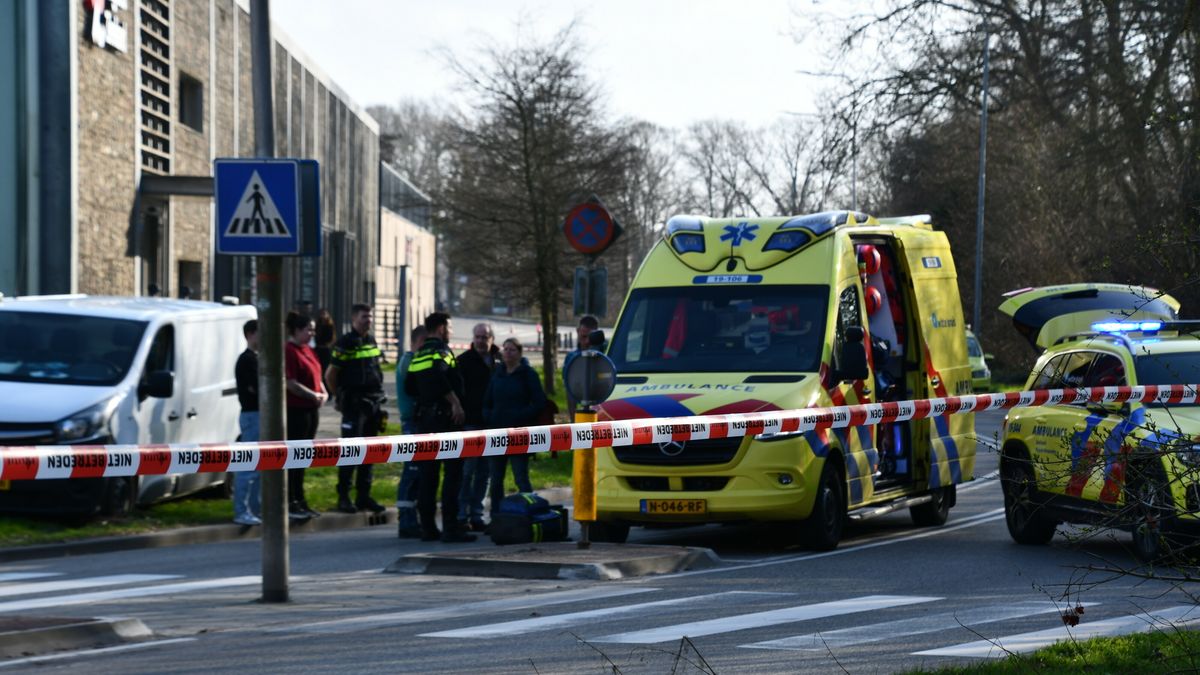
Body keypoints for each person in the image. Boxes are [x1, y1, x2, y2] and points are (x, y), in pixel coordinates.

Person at [407, 312, 474, 543]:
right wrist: (454, 402)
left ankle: (427, 527)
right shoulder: (442, 351)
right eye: (450, 327)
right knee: (453, 475)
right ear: (441, 328)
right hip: (445, 420)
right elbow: (439, 376)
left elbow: (409, 385)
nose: (451, 332)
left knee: (428, 475)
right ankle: (450, 527)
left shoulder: (418, 354)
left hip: (424, 420)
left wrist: (427, 398)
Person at [325, 303, 388, 515]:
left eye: (370, 317)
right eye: (364, 317)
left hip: (372, 404)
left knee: (370, 453)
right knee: (351, 452)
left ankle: (363, 496)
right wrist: (339, 397)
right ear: (353, 319)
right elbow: (330, 374)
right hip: (354, 404)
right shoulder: (345, 343)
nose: (368, 321)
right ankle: (344, 496)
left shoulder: (371, 340)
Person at [483, 337, 545, 520]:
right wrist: (489, 416)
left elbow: (539, 402)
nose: (508, 353)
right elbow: (487, 400)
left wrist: (522, 415)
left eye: (512, 350)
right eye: (506, 349)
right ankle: (496, 517)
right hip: (497, 433)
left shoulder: (528, 374)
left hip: (518, 434)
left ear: (519, 353)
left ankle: (529, 515)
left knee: (521, 478)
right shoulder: (497, 373)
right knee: (496, 480)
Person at [456, 322, 499, 532]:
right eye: (478, 337)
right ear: (473, 339)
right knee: (467, 471)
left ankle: (477, 514)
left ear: (492, 339)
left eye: (485, 337)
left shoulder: (498, 361)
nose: (482, 341)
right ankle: (462, 513)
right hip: (471, 423)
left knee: (485, 473)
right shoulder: (463, 361)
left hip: (491, 425)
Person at [285, 311, 326, 520]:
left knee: (304, 457)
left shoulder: (308, 350)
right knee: (295, 456)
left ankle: (301, 499)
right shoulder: (289, 351)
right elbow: (291, 383)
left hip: (311, 410)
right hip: (297, 411)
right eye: (308, 329)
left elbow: (318, 374)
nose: (312, 333)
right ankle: (291, 499)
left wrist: (323, 392)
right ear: (297, 330)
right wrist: (313, 395)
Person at [395, 324, 427, 538]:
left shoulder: (409, 360)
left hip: (414, 423)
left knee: (415, 473)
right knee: (412, 472)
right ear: (418, 342)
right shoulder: (410, 362)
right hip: (412, 423)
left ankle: (410, 517)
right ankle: (406, 520)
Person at [232, 319, 262, 526]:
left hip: (259, 415)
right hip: (252, 415)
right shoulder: (246, 360)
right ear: (250, 334)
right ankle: (241, 510)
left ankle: (255, 508)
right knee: (248, 466)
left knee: (260, 465)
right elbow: (256, 389)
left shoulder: (258, 358)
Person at [563, 315, 599, 422]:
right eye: (584, 336)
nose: (587, 341)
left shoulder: (603, 355)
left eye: (590, 337)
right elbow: (569, 391)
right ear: (578, 331)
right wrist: (573, 422)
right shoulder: (571, 358)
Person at [313, 309, 336, 374]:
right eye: (322, 314)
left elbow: (331, 337)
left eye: (324, 314)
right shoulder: (318, 324)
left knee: (325, 366)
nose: (323, 316)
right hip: (318, 348)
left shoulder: (329, 325)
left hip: (325, 349)